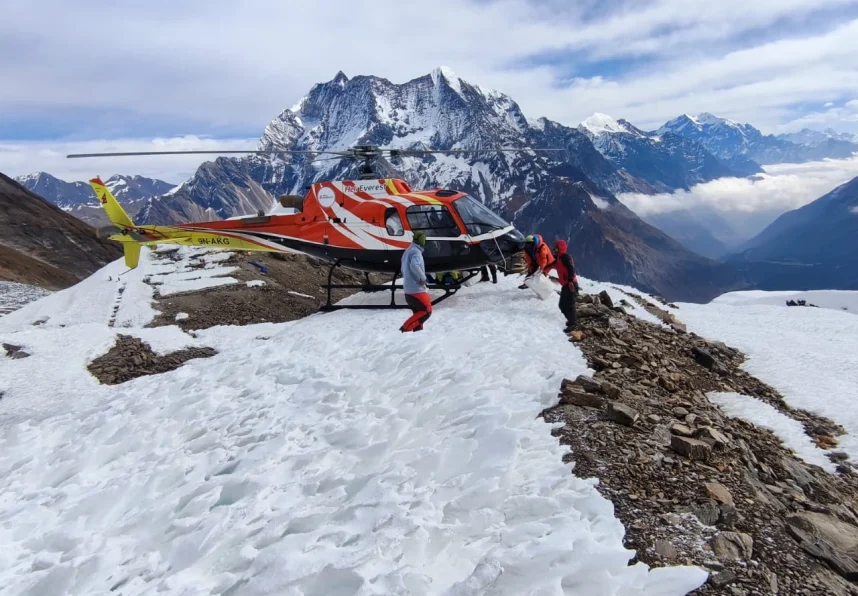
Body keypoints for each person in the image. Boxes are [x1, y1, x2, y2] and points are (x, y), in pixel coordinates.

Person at [400, 231, 432, 332]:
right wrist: (422, 278)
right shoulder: (416, 252)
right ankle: (404, 329)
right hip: (416, 289)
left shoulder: (408, 251)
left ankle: (417, 332)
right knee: (427, 311)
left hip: (408, 290)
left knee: (418, 312)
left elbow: (402, 268)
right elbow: (414, 265)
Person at [548, 239, 579, 332]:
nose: (554, 249)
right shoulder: (558, 258)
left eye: (556, 248)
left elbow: (571, 269)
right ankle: (570, 320)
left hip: (571, 284)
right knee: (562, 305)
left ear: (560, 248)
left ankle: (573, 324)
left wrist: (570, 280)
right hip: (565, 284)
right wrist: (543, 270)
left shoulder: (566, 257)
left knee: (569, 304)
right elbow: (551, 265)